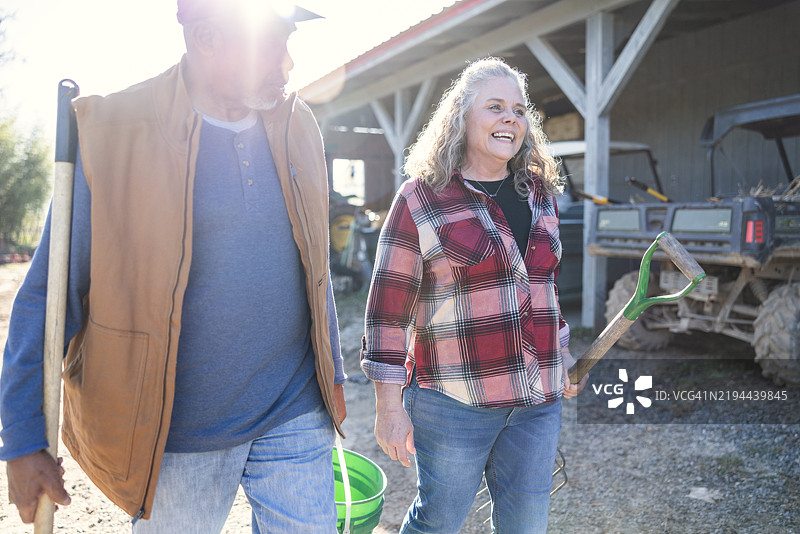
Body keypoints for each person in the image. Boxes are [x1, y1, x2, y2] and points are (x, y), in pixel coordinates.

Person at [0, 1, 347, 532]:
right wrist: (23, 439)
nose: (287, 64)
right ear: (205, 38)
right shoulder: (115, 135)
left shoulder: (296, 122)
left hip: (294, 407)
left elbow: (315, 262)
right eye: (269, 44)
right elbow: (48, 297)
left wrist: (334, 377)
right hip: (178, 432)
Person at [360, 57, 588, 534]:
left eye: (520, 110)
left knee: (526, 525)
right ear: (461, 117)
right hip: (454, 401)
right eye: (496, 107)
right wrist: (388, 407)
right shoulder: (421, 198)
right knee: (438, 523)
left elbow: (544, 286)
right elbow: (386, 311)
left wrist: (561, 351)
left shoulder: (539, 193)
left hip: (536, 403)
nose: (511, 118)